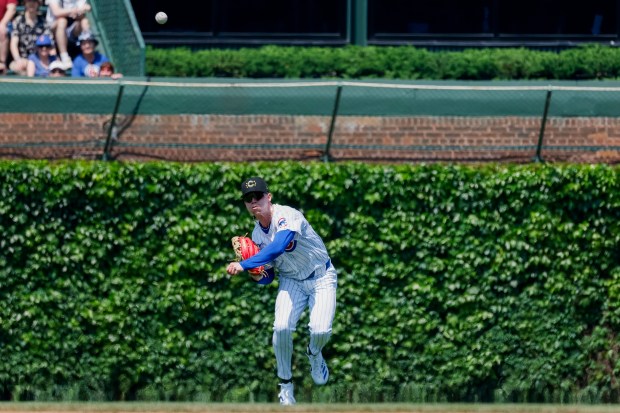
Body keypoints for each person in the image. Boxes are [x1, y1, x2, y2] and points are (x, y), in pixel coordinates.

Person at [226, 177, 337, 406]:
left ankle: (314, 354)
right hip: (291, 281)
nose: (253, 201)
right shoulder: (256, 236)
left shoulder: (287, 215)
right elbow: (268, 277)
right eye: (248, 198)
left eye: (258, 196)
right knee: (281, 327)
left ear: (269, 197)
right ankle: (285, 387)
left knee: (320, 330)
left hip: (321, 276)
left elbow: (278, 246)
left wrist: (244, 264)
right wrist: (256, 272)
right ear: (245, 204)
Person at [9, 0, 51, 75]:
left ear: (38, 4)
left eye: (34, 2)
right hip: (23, 59)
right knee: (18, 67)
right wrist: (18, 59)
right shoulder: (18, 21)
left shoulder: (44, 22)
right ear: (25, 3)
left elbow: (49, 44)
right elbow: (13, 44)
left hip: (39, 60)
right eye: (29, 1)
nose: (31, 4)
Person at [46, 0, 90, 69]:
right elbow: (56, 12)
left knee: (84, 20)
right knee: (62, 21)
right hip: (53, 30)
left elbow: (84, 9)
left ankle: (89, 51)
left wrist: (80, 11)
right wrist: (75, 10)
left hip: (72, 28)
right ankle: (64, 56)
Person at [0, 0, 17, 74]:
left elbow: (12, 9)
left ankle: (1, 64)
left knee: (2, 30)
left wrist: (2, 23)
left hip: (3, 24)